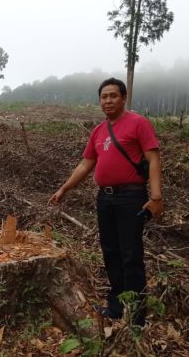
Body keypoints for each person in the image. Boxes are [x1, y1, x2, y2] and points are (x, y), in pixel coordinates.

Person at [48, 78, 163, 328]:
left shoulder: (138, 124)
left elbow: (153, 159)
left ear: (123, 98)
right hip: (105, 198)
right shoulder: (99, 131)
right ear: (99, 101)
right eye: (104, 96)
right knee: (111, 253)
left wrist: (156, 197)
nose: (108, 100)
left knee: (131, 255)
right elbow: (86, 164)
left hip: (130, 198)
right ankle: (116, 307)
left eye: (113, 96)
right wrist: (64, 188)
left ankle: (138, 317)